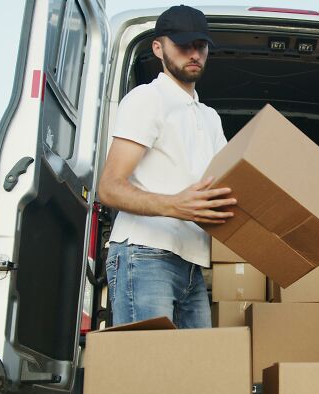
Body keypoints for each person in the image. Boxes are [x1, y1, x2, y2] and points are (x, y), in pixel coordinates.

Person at [98, 5, 235, 327]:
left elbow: (228, 184)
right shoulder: (148, 99)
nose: (193, 54)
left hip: (192, 263)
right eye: (183, 45)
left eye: (200, 46)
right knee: (146, 370)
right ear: (158, 48)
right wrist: (175, 205)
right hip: (144, 255)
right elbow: (109, 188)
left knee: (190, 371)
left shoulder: (209, 117)